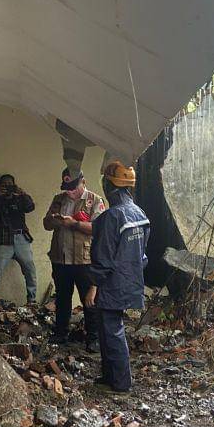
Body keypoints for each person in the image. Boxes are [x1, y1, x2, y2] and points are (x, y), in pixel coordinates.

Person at [86, 161, 150, 394]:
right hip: (131, 281)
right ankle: (109, 376)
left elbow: (103, 258)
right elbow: (143, 254)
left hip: (111, 284)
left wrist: (93, 285)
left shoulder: (111, 217)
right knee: (107, 330)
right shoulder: (140, 214)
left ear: (109, 186)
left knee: (112, 331)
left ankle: (121, 384)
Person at [43, 167, 106, 349]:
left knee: (89, 300)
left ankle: (93, 337)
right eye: (67, 188)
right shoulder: (59, 199)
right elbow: (46, 224)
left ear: (83, 182)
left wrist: (74, 224)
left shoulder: (94, 200)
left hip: (84, 260)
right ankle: (61, 333)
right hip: (61, 258)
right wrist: (55, 220)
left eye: (73, 188)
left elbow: (98, 228)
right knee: (62, 298)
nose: (69, 192)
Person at [0, 174, 38, 303]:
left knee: (30, 270)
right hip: (4, 239)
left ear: (14, 185)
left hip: (22, 238)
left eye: (10, 184)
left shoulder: (19, 198)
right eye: (4, 185)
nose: (7, 187)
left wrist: (22, 193)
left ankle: (32, 300)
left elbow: (30, 207)